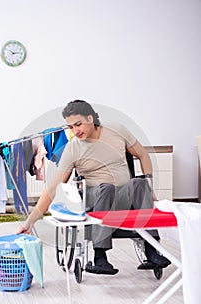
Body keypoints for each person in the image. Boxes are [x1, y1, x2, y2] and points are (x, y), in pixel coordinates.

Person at [18, 100, 170, 275]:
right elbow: (53, 189)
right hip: (96, 196)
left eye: (78, 124)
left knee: (140, 183)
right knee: (107, 188)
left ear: (90, 118)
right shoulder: (73, 149)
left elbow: (143, 154)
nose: (76, 131)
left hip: (123, 196)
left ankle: (152, 251)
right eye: (71, 127)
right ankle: (100, 257)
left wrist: (150, 185)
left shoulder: (117, 130)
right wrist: (30, 221)